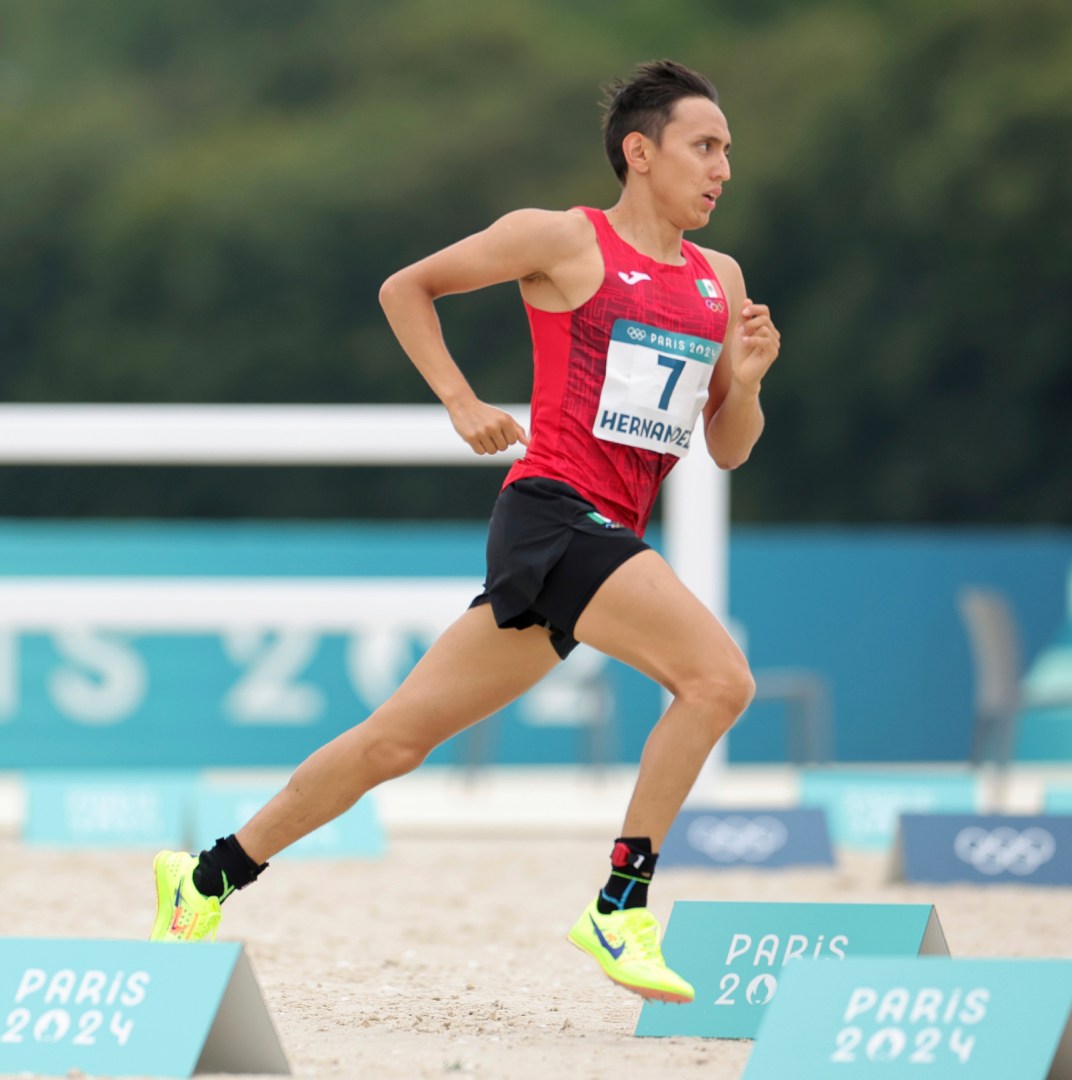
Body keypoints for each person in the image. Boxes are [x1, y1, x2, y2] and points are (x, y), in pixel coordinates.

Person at [149, 60, 781, 1005]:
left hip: (597, 536)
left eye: (728, 150)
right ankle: (621, 901)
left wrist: (752, 376)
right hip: (557, 517)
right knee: (718, 679)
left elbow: (727, 449)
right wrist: (459, 399)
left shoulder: (717, 280)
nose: (723, 167)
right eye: (705, 147)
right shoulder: (562, 239)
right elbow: (407, 288)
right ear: (640, 153)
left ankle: (206, 876)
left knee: (393, 743)